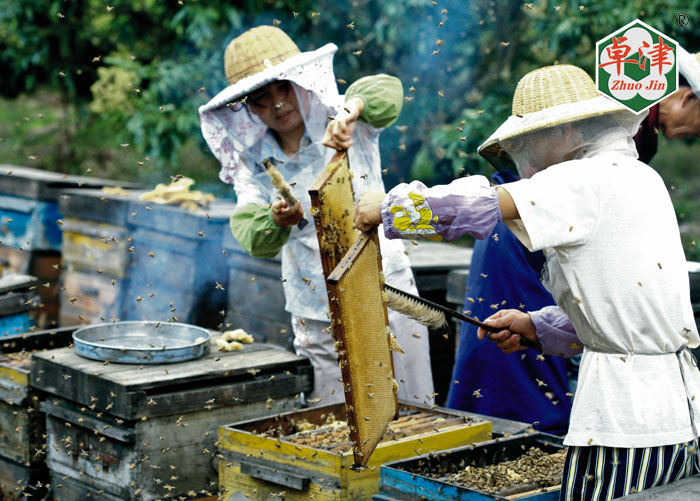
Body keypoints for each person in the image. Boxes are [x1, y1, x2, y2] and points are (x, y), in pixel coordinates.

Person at [355, 64, 700, 499]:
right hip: (675, 414)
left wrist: (386, 208)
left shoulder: (584, 178)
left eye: (529, 140)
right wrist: (538, 327)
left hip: (628, 422)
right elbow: (624, 309)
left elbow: (474, 207)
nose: (526, 153)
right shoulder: (639, 178)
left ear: (562, 132)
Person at [199, 25, 433, 406]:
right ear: (245, 105)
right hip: (314, 301)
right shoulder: (251, 159)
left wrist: (351, 112)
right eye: (262, 96)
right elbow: (248, 227)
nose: (277, 103)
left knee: (412, 404)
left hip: (384, 283)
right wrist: (275, 218)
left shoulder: (342, 113)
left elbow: (387, 90)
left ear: (301, 81)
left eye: (284, 88)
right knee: (332, 417)